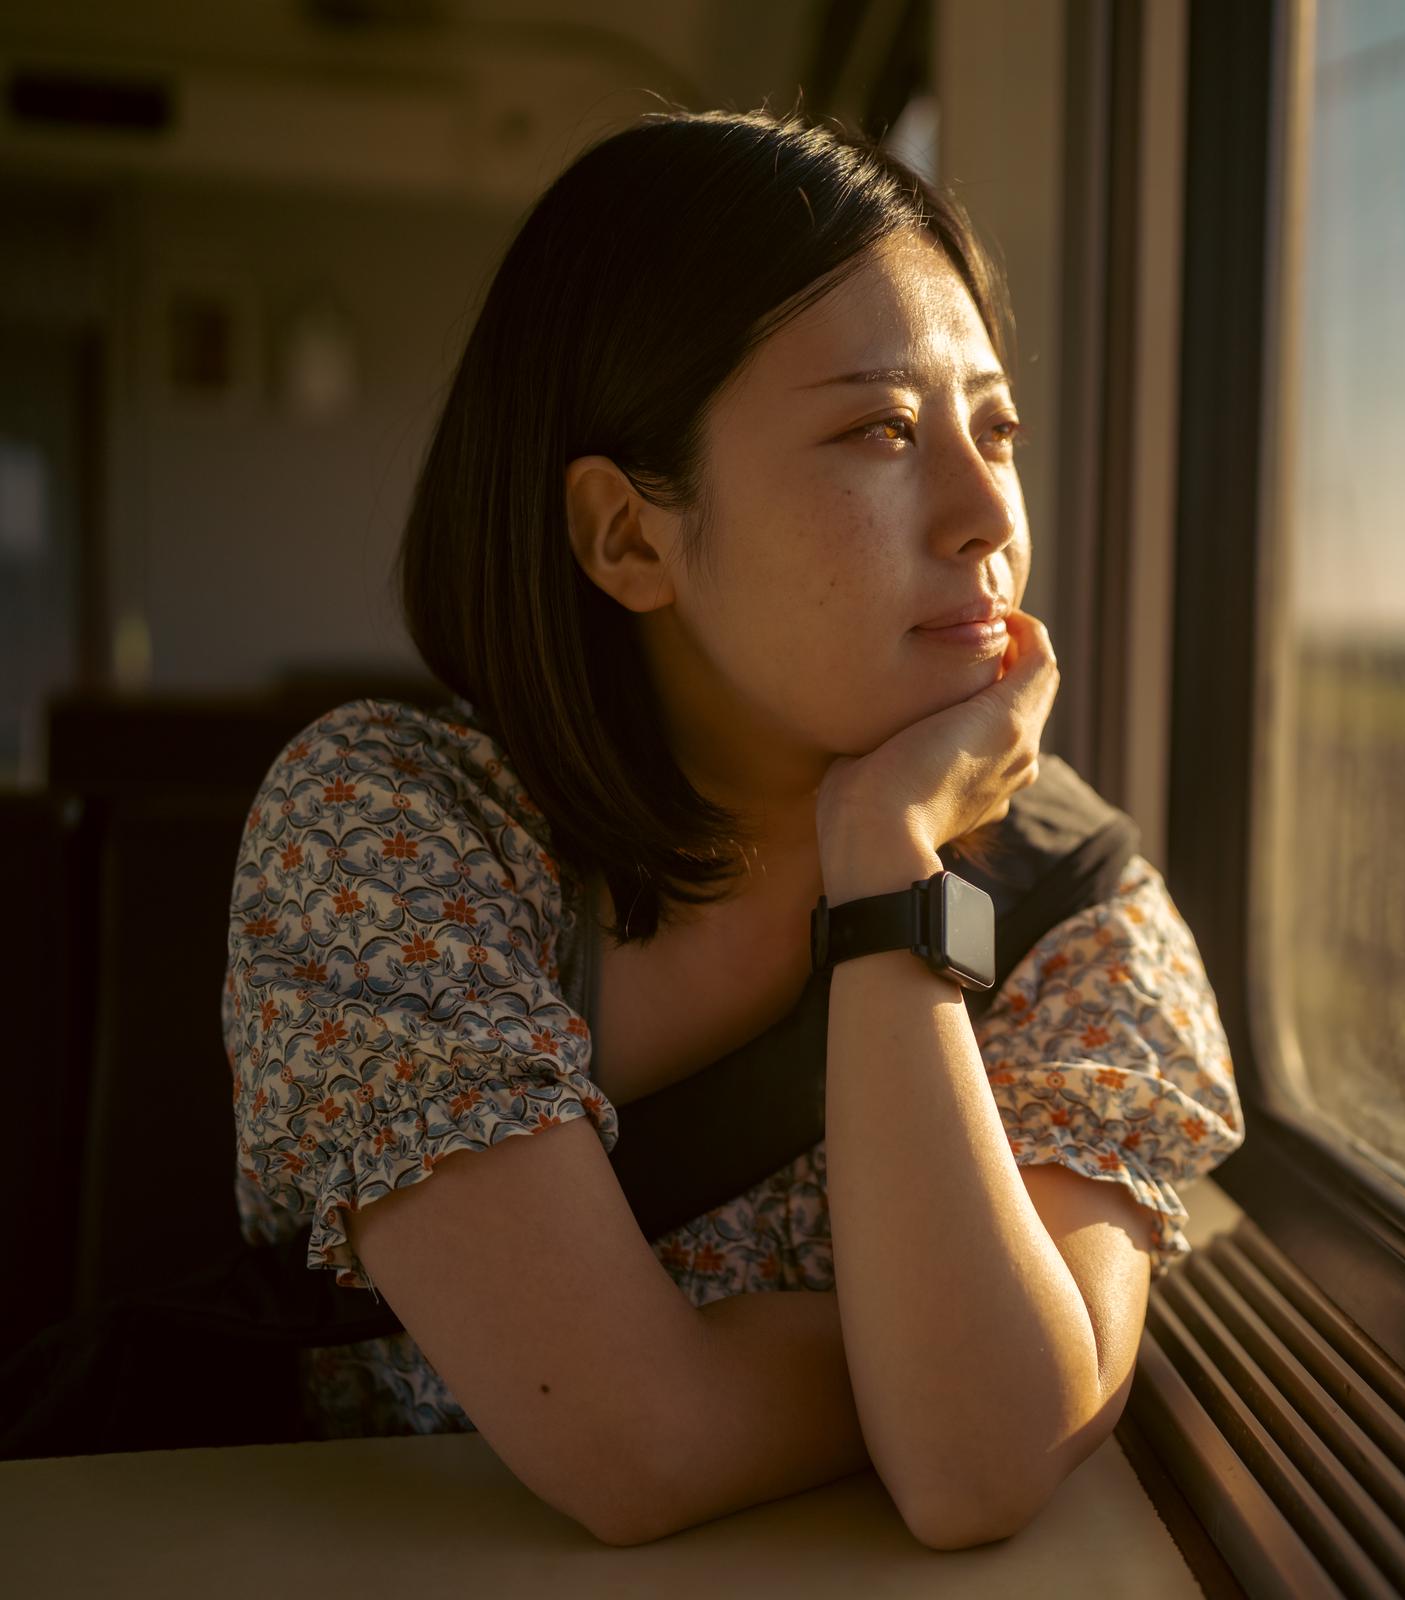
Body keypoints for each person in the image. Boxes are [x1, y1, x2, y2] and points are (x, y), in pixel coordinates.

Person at [218, 109, 1244, 1549]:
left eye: (994, 426)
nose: (981, 514)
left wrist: (887, 853)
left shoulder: (1075, 905)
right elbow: (641, 1446)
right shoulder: (396, 833)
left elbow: (979, 1464)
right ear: (629, 537)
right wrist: (932, 1362)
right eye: (881, 431)